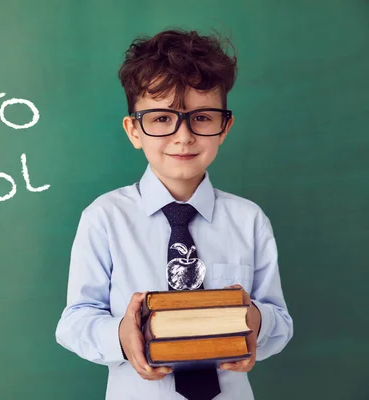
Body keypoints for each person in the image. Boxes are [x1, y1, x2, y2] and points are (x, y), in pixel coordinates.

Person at [55, 28, 294, 400]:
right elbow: (74, 321)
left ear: (224, 127)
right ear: (134, 130)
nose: (183, 137)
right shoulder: (104, 217)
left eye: (202, 117)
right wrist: (120, 334)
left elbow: (279, 321)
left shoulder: (249, 221)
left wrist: (255, 321)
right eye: (162, 119)